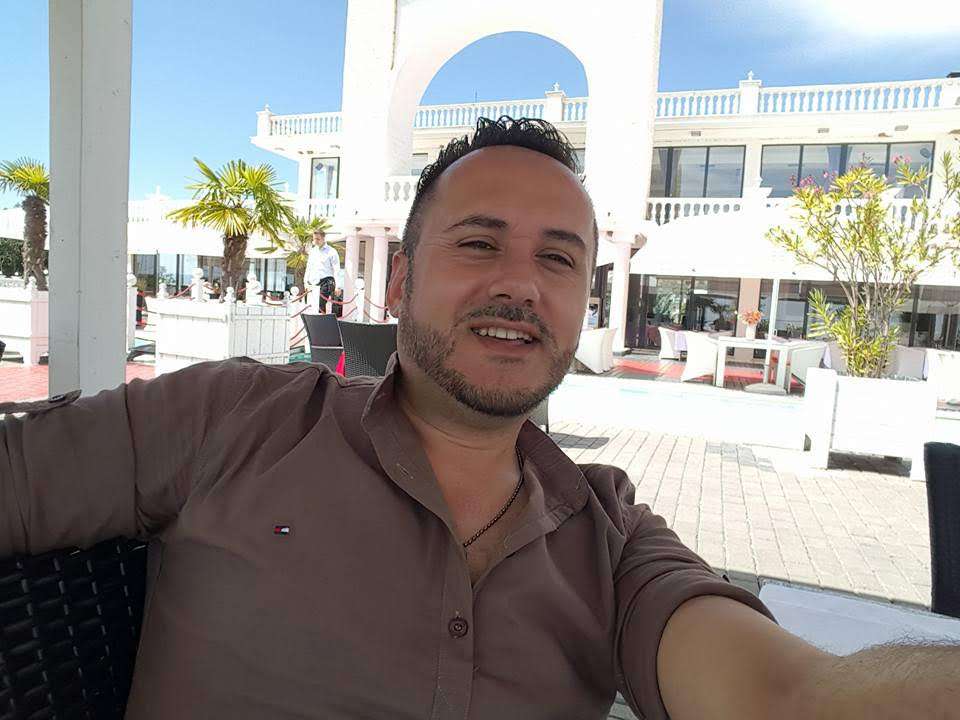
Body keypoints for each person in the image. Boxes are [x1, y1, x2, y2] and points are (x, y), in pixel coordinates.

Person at [1, 118, 957, 720]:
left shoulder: (611, 536)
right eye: (478, 243)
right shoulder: (232, 421)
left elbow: (787, 696)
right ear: (402, 281)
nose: (519, 285)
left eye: (558, 259)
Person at [305, 227, 340, 313]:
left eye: (318, 239)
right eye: (314, 239)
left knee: (320, 304)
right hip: (314, 282)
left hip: (326, 281)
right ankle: (316, 320)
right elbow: (309, 267)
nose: (316, 241)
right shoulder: (312, 251)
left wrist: (337, 286)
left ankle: (321, 320)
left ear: (323, 238)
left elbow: (336, 269)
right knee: (312, 305)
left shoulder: (332, 251)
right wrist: (305, 282)